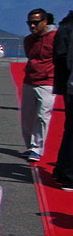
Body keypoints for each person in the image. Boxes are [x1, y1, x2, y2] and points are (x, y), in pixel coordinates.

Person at [21, 8, 57, 163]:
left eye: (36, 23)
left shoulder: (55, 38)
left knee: (42, 116)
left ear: (45, 22)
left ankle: (37, 148)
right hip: (30, 81)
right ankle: (30, 146)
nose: (32, 26)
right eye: (30, 23)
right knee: (27, 118)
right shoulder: (28, 40)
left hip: (47, 82)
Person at [52, 10, 73, 188]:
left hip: (69, 84)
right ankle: (67, 174)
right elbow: (65, 58)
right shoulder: (68, 29)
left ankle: (62, 170)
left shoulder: (66, 27)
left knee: (69, 131)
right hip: (70, 84)